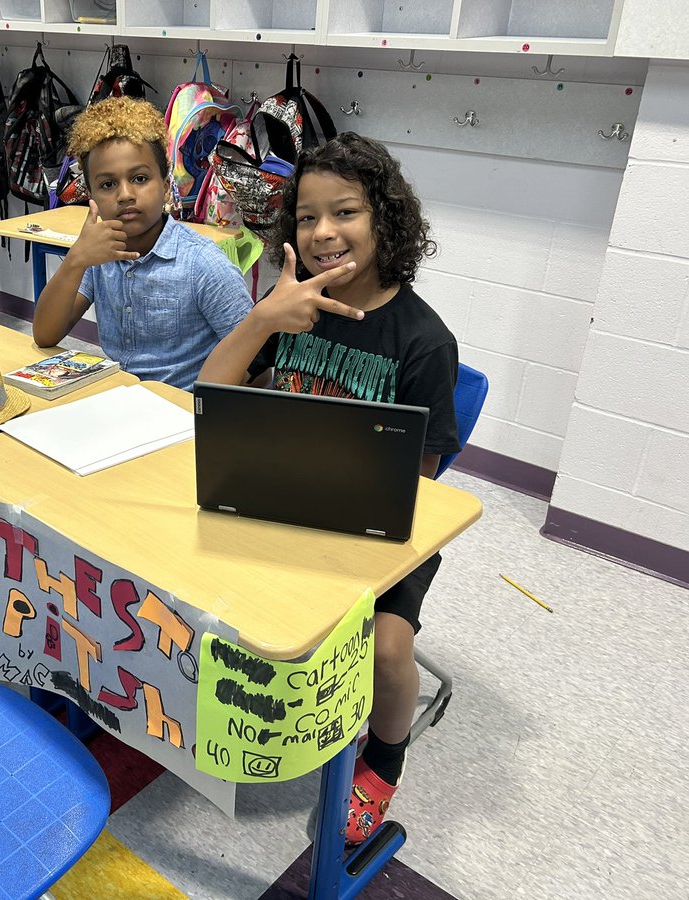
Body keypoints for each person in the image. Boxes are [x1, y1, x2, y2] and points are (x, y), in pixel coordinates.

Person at [197, 133, 460, 844]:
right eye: (306, 217)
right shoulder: (291, 308)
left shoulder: (422, 342)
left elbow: (422, 483)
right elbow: (211, 399)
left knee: (387, 650)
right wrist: (260, 320)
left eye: (343, 212)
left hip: (380, 527)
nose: (322, 233)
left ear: (384, 220)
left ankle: (383, 760)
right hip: (280, 502)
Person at [0, 96, 253, 598]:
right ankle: (14, 552)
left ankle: (70, 562)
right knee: (19, 448)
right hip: (117, 406)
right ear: (90, 193)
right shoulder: (102, 252)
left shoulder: (203, 264)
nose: (126, 195)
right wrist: (75, 259)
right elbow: (46, 334)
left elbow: (254, 357)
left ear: (166, 184)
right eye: (107, 184)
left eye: (140, 178)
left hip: (179, 426)